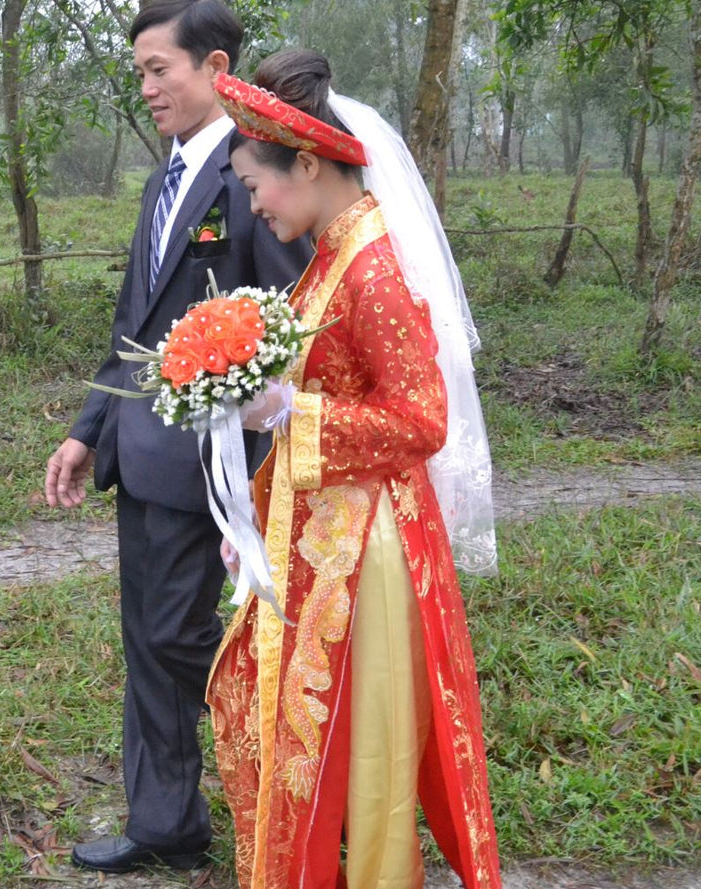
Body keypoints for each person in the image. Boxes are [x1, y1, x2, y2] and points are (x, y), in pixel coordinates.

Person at [206, 50, 503, 888]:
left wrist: (288, 415)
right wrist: (259, 509)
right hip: (328, 533)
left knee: (362, 754)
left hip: (367, 552)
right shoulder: (333, 252)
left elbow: (421, 419)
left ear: (306, 162)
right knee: (299, 730)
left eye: (256, 183)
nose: (253, 203)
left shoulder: (371, 268)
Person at [43, 0, 310, 873]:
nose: (150, 88)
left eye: (162, 70)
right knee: (148, 641)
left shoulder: (253, 177)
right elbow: (136, 323)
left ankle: (300, 777)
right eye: (142, 75)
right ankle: (165, 822)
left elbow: (296, 325)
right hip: (146, 459)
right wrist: (89, 432)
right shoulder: (166, 179)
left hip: (222, 468)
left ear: (215, 66)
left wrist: (268, 449)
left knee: (193, 640)